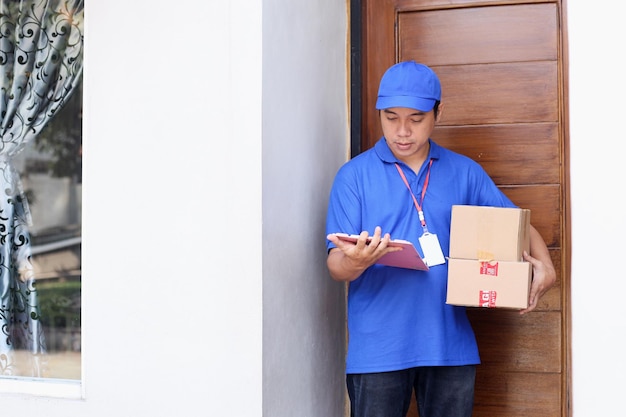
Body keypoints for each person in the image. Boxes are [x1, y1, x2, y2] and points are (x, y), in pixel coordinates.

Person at [325, 60, 556, 417]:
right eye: (390, 117)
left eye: (416, 119)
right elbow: (336, 267)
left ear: (438, 112)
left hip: (450, 344)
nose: (402, 131)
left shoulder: (464, 172)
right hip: (378, 349)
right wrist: (354, 261)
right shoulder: (353, 177)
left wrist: (548, 269)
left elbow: (516, 225)